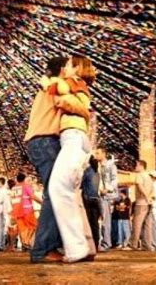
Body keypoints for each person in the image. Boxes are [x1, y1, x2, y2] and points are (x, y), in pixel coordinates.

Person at [26, 56, 90, 263]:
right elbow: (66, 102)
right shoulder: (53, 85)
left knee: (56, 190)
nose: (73, 70)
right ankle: (43, 249)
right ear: (63, 69)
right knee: (54, 192)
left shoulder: (48, 84)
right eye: (70, 66)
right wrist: (84, 110)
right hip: (46, 140)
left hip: (40, 141)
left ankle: (54, 244)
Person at [47, 55, 97, 263]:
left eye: (68, 65)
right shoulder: (75, 84)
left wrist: (62, 98)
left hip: (74, 138)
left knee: (59, 188)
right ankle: (86, 245)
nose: (65, 68)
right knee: (70, 192)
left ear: (76, 69)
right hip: (75, 138)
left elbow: (75, 104)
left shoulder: (77, 84)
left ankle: (76, 248)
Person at [95, 146, 118, 252]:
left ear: (104, 154)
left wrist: (107, 189)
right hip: (98, 195)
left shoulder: (110, 166)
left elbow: (114, 180)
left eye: (98, 153)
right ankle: (101, 242)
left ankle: (106, 243)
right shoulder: (97, 166)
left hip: (105, 196)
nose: (96, 155)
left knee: (105, 220)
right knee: (100, 220)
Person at [11, 173, 41, 251]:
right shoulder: (26, 186)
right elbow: (33, 196)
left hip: (17, 210)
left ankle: (25, 243)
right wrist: (42, 202)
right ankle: (27, 242)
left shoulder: (14, 188)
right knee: (34, 226)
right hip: (27, 209)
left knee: (23, 228)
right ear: (24, 179)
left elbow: (12, 200)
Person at [130, 160, 155, 251]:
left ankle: (134, 244)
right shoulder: (148, 177)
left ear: (141, 166)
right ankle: (148, 245)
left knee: (137, 223)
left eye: (136, 165)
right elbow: (152, 190)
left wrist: (146, 196)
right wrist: (150, 199)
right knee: (147, 225)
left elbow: (140, 187)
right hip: (149, 204)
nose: (135, 167)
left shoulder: (139, 175)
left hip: (141, 202)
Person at [81, 155, 102, 250]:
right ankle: (96, 243)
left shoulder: (87, 171)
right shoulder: (97, 173)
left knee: (88, 222)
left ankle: (89, 245)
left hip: (87, 199)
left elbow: (80, 183)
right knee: (95, 224)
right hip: (96, 199)